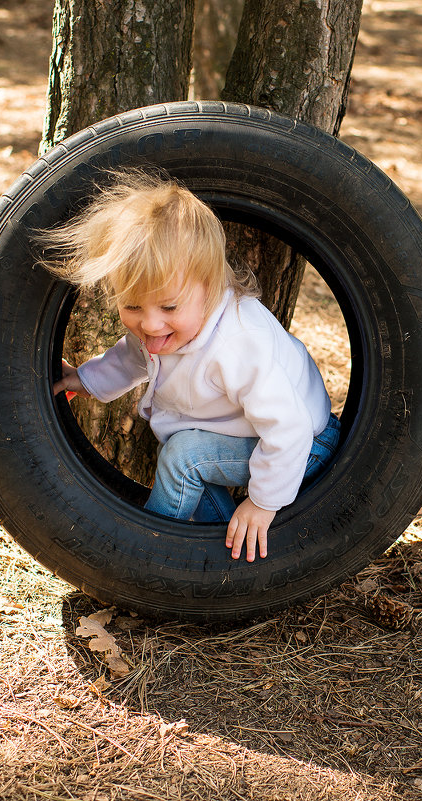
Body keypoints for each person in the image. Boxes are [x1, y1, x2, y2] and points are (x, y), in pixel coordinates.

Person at [43, 173, 338, 562]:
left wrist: (263, 503)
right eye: (132, 306)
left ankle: (146, 553)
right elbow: (133, 356)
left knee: (185, 456)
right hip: (261, 440)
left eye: (168, 307)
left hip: (304, 444)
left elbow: (290, 427)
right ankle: (224, 561)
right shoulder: (164, 330)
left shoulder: (237, 342)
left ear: (210, 285)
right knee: (186, 454)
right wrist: (82, 379)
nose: (149, 324)